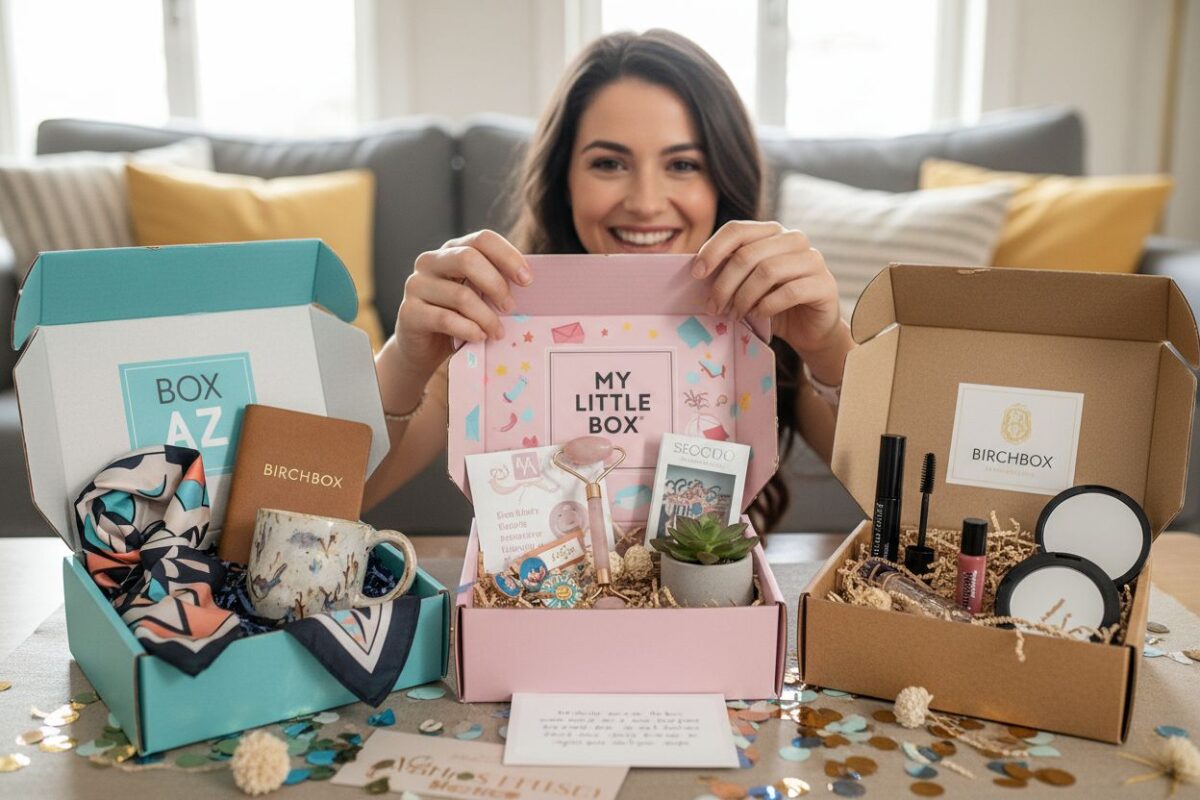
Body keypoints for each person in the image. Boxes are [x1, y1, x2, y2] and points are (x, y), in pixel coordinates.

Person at [365, 29, 854, 532]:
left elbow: (903, 505)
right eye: (609, 163)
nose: (645, 202)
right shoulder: (494, 322)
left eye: (683, 164)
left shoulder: (759, 325)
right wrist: (406, 358)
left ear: (723, 183)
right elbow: (333, 494)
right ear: (564, 180)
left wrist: (828, 345)